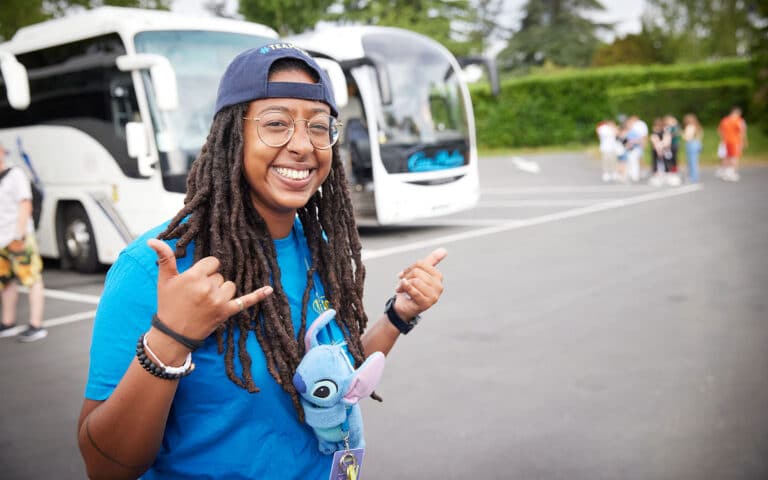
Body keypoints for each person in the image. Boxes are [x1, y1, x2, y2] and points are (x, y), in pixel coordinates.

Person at [76, 43, 447, 479]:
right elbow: (104, 466)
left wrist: (399, 316)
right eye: (276, 124)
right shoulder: (154, 268)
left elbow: (331, 381)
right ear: (233, 136)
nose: (303, 146)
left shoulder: (318, 247)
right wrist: (170, 338)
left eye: (318, 126)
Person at [0, 142, 47, 342]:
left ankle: (36, 325)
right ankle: (7, 322)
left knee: (32, 279)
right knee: (6, 281)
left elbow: (25, 204)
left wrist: (19, 236)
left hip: (18, 238)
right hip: (1, 239)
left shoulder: (15, 175)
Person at [717, 106, 748, 182]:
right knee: (735, 157)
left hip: (726, 141)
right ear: (738, 113)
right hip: (735, 141)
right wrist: (744, 141)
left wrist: (723, 138)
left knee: (727, 157)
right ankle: (732, 173)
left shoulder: (725, 120)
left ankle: (726, 172)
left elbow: (719, 131)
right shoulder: (739, 120)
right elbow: (742, 132)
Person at [625, 115, 648, 183]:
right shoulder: (629, 131)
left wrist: (632, 142)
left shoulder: (636, 131)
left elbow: (640, 139)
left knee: (635, 162)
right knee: (630, 162)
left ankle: (635, 175)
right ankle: (631, 175)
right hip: (630, 149)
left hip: (635, 149)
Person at [682, 113, 703, 182]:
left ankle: (693, 177)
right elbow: (700, 136)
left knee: (691, 161)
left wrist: (682, 134)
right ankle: (694, 176)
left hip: (691, 144)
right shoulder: (697, 126)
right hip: (697, 144)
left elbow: (688, 137)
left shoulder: (690, 127)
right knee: (695, 161)